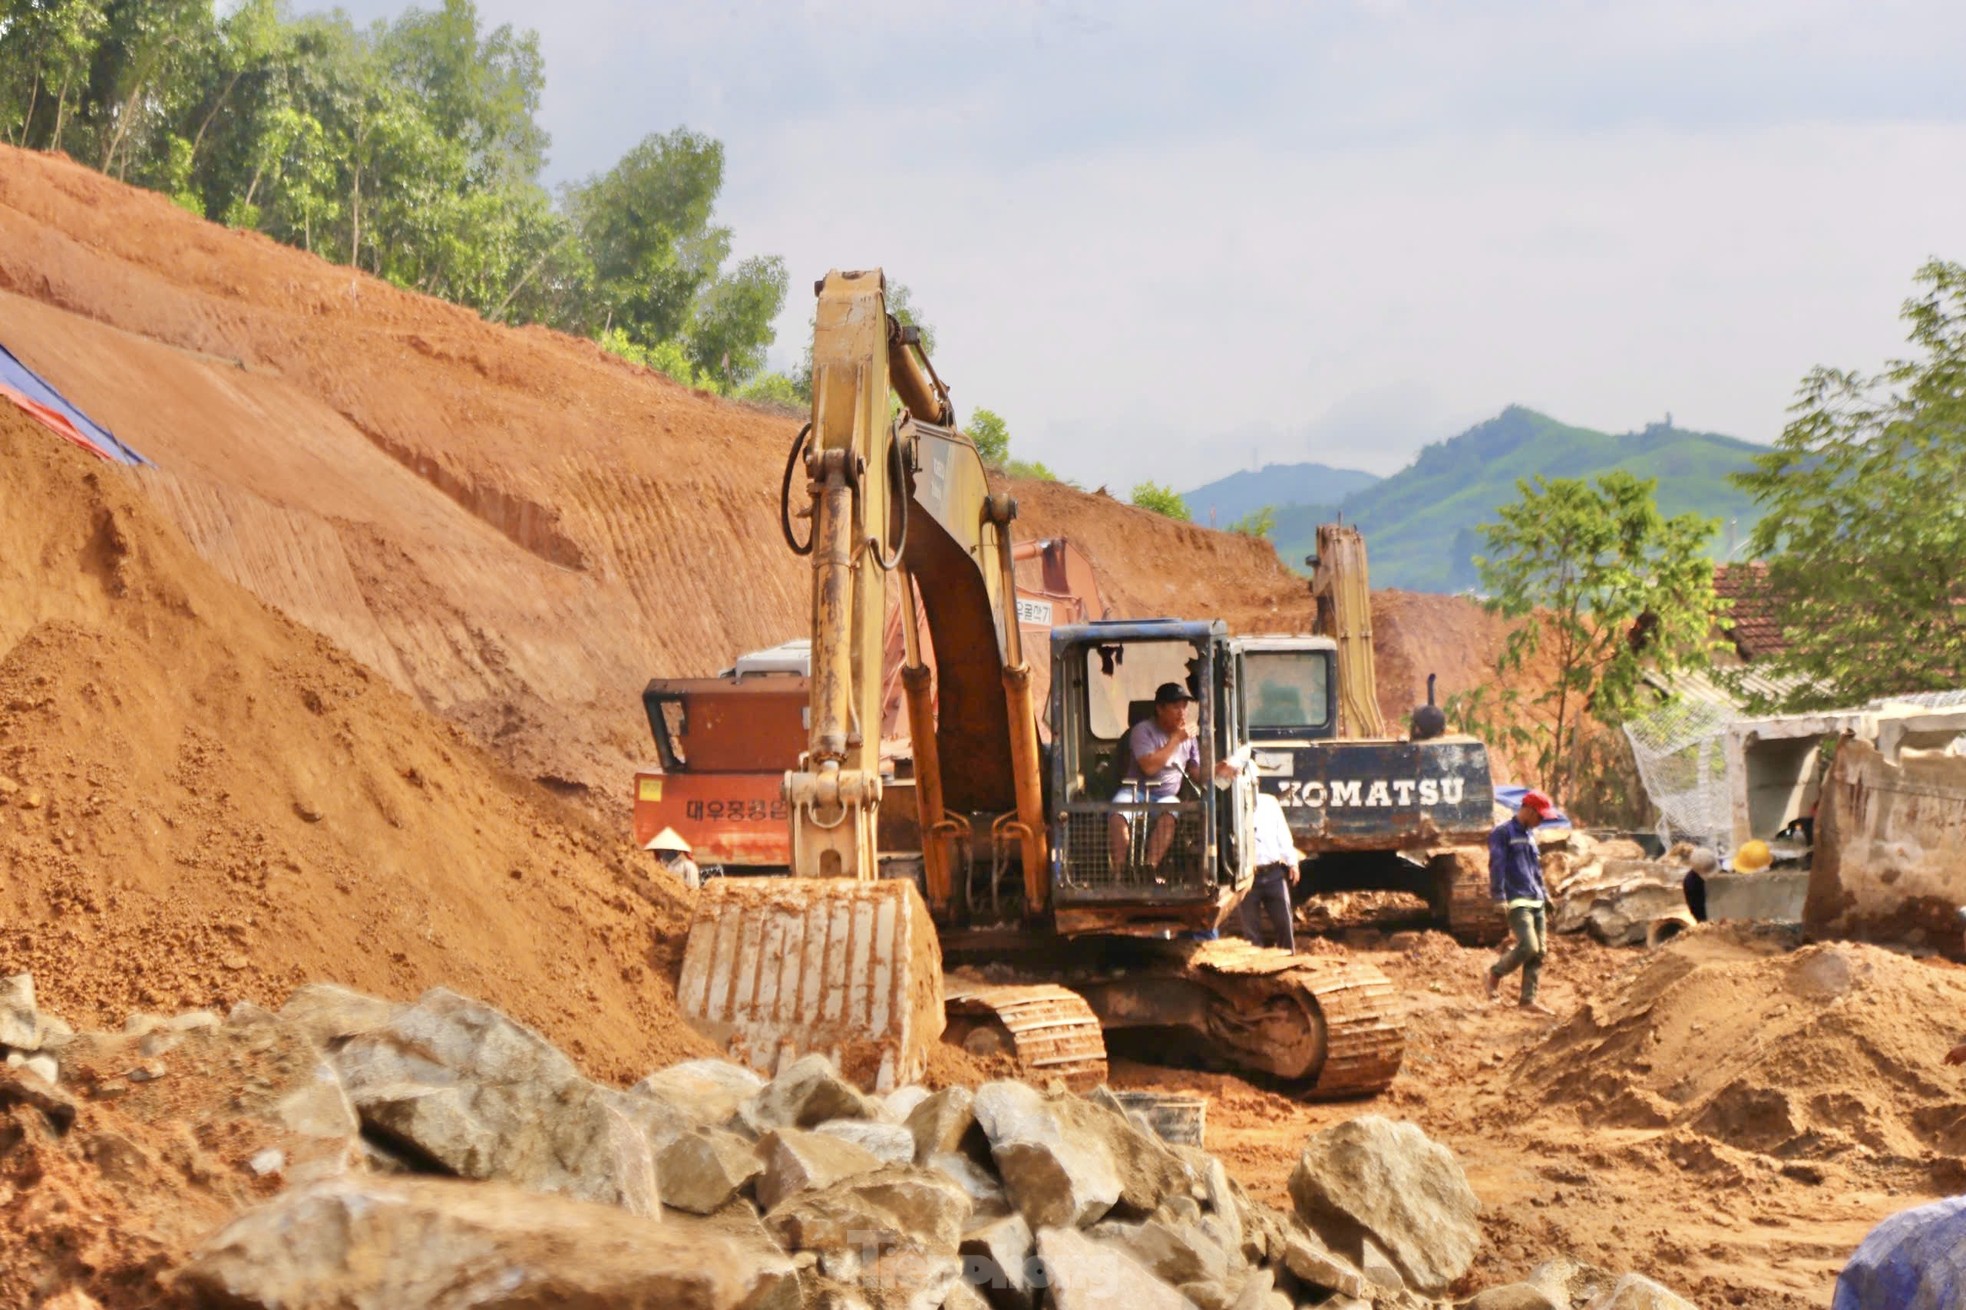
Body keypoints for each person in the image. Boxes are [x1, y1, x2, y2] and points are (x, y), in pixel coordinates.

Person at [1107, 681, 1204, 871]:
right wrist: (1176, 739)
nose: (1182, 712)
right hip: (1136, 792)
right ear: (1160, 709)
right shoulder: (1142, 731)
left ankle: (1148, 869)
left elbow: (1195, 772)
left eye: (1184, 707)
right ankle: (1118, 874)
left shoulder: (1189, 739)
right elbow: (1150, 767)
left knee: (1170, 812)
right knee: (1117, 814)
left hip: (1166, 796)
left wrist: (1218, 770)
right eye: (1176, 707)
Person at [1485, 789, 1558, 1015]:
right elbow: (1496, 865)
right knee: (1529, 945)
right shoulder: (1503, 833)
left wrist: (1545, 895)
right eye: (1540, 816)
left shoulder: (1529, 836)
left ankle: (1528, 1000)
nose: (1542, 821)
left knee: (1539, 951)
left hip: (1535, 898)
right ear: (1527, 810)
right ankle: (1495, 974)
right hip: (1517, 900)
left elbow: (1536, 870)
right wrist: (1498, 896)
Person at [1240, 790, 1303, 952]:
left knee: (1284, 922)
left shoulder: (1269, 803)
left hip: (1273, 873)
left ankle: (1288, 956)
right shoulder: (1233, 804)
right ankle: (1254, 969)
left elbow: (1282, 833)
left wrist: (1292, 863)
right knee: (1250, 929)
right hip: (1247, 877)